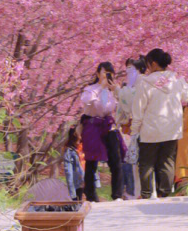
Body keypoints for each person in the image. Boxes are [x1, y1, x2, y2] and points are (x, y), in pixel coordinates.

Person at [129, 48, 188, 200]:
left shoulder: (145, 83)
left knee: (146, 162)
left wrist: (134, 130)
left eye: (148, 64)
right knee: (167, 162)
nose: (147, 68)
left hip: (150, 131)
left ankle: (146, 194)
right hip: (172, 129)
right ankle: (164, 193)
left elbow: (138, 109)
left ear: (154, 63)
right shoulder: (177, 80)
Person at [80, 61, 125, 202]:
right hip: (93, 125)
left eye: (110, 73)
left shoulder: (113, 91)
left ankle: (117, 194)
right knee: (91, 160)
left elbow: (121, 105)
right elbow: (86, 102)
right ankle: (91, 195)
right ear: (98, 73)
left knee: (115, 159)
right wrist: (101, 88)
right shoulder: (91, 89)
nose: (107, 76)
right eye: (104, 72)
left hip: (108, 125)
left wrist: (115, 90)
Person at [116, 56, 146, 200]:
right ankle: (138, 192)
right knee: (135, 161)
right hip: (134, 127)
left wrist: (117, 90)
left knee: (141, 161)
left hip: (143, 126)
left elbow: (127, 100)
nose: (128, 71)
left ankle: (141, 191)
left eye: (131, 68)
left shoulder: (142, 82)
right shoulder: (131, 85)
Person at [61, 126, 85, 203]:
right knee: (78, 201)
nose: (80, 143)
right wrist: (72, 193)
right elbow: (69, 172)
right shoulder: (69, 151)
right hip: (77, 182)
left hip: (83, 180)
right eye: (79, 140)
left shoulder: (79, 149)